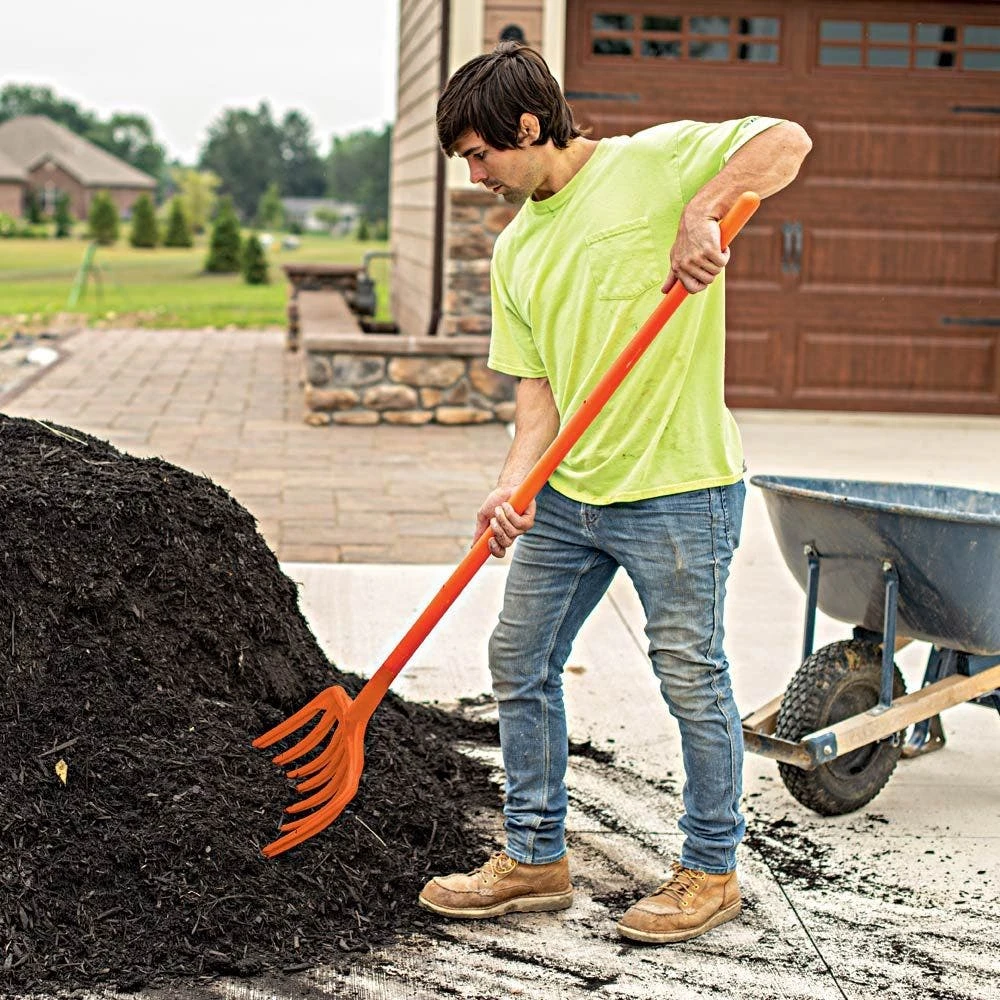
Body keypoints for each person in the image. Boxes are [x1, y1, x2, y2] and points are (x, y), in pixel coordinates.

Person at [418, 41, 811, 944]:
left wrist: (704, 211)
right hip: (568, 496)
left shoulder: (655, 162)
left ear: (528, 125)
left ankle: (711, 871)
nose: (475, 175)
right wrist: (511, 487)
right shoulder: (515, 252)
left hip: (677, 488)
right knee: (519, 661)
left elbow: (787, 139)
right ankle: (534, 857)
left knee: (689, 678)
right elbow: (537, 401)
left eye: (481, 154)